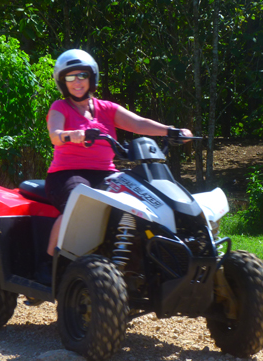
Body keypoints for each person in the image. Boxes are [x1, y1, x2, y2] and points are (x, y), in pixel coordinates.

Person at [45, 49, 192, 257]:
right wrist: (73, 135)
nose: (77, 82)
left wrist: (170, 131)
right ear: (63, 81)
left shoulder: (106, 108)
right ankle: (50, 262)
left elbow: (138, 123)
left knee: (142, 204)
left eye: (82, 75)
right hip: (67, 174)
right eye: (70, 77)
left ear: (91, 77)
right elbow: (55, 134)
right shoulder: (60, 107)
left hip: (107, 174)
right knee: (78, 203)